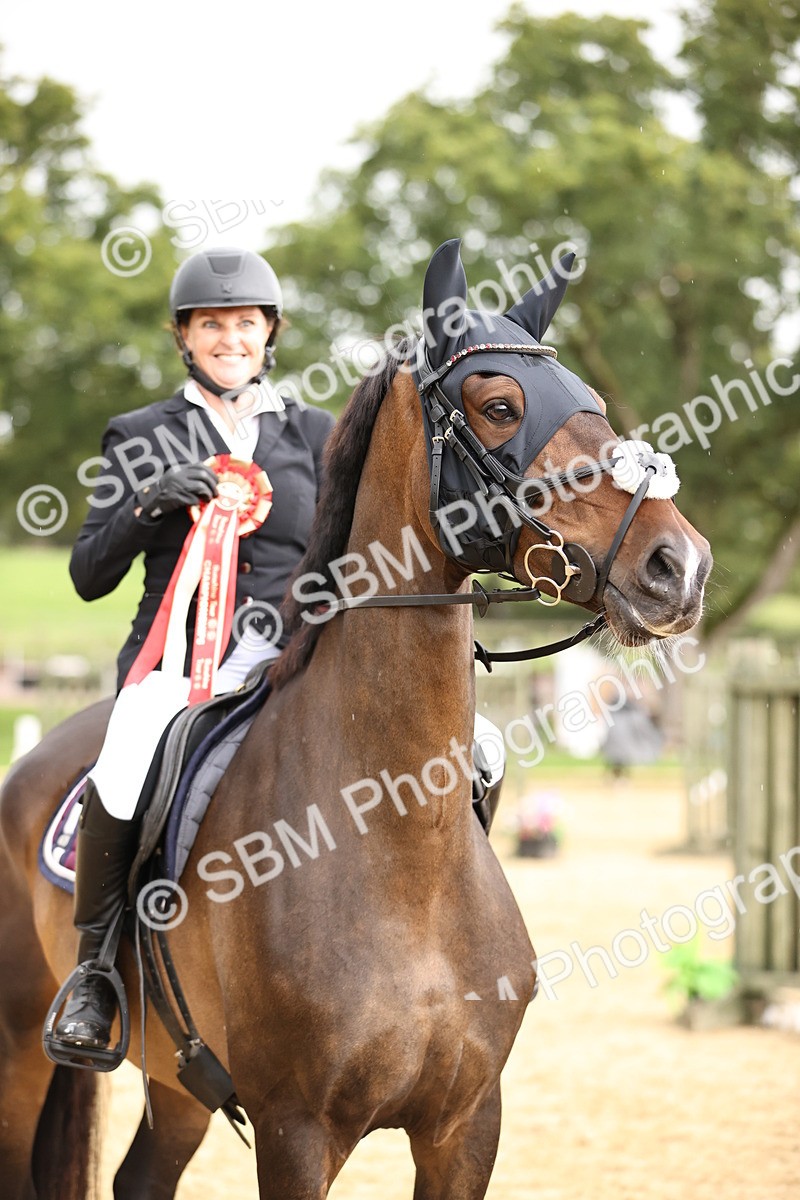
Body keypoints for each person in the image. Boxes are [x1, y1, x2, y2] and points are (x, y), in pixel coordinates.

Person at [54, 247, 335, 1051]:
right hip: (173, 667)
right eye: (211, 324)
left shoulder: (316, 434)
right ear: (185, 337)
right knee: (130, 748)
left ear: (268, 332)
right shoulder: (143, 434)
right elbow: (86, 574)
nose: (229, 338)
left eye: (244, 323)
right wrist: (148, 504)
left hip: (287, 658)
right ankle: (96, 971)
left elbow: (343, 557)